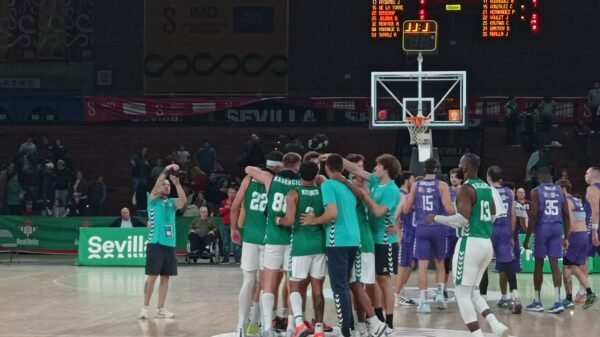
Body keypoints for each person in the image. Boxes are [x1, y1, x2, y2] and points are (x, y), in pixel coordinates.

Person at [302, 154, 387, 337]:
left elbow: (332, 213)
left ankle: (348, 330)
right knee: (353, 283)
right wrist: (344, 180)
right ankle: (367, 324)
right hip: (355, 240)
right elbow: (360, 197)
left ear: (326, 169)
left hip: (337, 241)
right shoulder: (349, 187)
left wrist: (314, 220)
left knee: (339, 287)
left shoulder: (328, 185)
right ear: (342, 169)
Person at [427, 153, 509, 337]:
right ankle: (495, 324)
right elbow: (494, 214)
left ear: (466, 167)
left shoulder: (466, 188)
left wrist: (436, 218)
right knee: (473, 291)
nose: (458, 166)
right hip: (486, 243)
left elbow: (462, 220)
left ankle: (477, 335)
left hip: (470, 242)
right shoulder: (486, 187)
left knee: (461, 294)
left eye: (460, 163)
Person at [245, 152, 301, 337]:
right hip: (293, 241)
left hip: (273, 241)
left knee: (268, 285)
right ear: (297, 166)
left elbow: (248, 169)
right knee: (293, 286)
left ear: (282, 164)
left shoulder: (270, 178)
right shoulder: (301, 183)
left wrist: (267, 171)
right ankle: (293, 327)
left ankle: (267, 327)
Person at [342, 153, 401, 330]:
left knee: (384, 280)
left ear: (387, 169)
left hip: (385, 239)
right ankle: (377, 316)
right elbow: (354, 169)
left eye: (378, 166)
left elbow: (377, 211)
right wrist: (335, 158)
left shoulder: (392, 190)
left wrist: (364, 195)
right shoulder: (376, 182)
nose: (374, 168)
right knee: (371, 280)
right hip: (371, 237)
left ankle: (389, 322)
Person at [230, 151, 282, 337]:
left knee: (248, 281)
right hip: (270, 239)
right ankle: (260, 324)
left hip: (250, 237)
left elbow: (234, 207)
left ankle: (240, 326)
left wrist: (234, 229)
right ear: (278, 166)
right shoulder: (278, 182)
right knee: (266, 284)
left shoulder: (249, 179)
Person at [277, 161, 326, 337]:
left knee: (295, 286)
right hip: (319, 244)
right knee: (318, 289)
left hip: (300, 245)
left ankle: (299, 322)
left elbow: (289, 220)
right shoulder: (322, 191)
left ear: (300, 175)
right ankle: (319, 328)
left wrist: (278, 220)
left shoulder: (294, 193)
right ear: (315, 175)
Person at [138, 163, 186, 320]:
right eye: (164, 185)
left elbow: (183, 201)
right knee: (152, 277)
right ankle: (145, 307)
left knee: (165, 278)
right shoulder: (152, 200)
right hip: (155, 243)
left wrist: (177, 183)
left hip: (169, 245)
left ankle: (161, 309)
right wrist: (167, 168)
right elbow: (159, 181)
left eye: (168, 185)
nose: (166, 186)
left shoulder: (171, 203)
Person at [523, 167, 570, 313]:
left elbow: (534, 214)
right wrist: (567, 236)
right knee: (555, 264)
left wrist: (528, 236)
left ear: (542, 176)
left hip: (543, 228)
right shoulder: (560, 191)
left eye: (538, 175)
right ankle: (558, 301)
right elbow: (566, 215)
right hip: (557, 228)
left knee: (538, 264)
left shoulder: (536, 191)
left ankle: (537, 301)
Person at [486, 166, 522, 314]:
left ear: (488, 177)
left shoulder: (487, 191)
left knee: (484, 265)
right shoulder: (508, 192)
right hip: (505, 230)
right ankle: (516, 296)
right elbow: (513, 215)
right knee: (508, 265)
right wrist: (512, 235)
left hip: (490, 229)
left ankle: (482, 300)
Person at [556, 179, 597, 309]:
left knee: (566, 267)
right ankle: (590, 293)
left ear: (563, 189)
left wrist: (566, 238)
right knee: (574, 267)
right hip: (583, 235)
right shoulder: (577, 200)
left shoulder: (566, 201)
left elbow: (571, 222)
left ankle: (569, 299)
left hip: (574, 236)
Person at [395, 171, 417, 307]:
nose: (414, 183)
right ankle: (397, 295)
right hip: (405, 234)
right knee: (404, 265)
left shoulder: (409, 196)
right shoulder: (401, 195)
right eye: (413, 179)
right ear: (407, 180)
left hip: (411, 234)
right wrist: (398, 233)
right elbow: (394, 216)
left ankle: (401, 293)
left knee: (411, 264)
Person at [444, 168, 462, 298]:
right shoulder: (446, 191)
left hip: (461, 231)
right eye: (451, 177)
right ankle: (443, 287)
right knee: (446, 260)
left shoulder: (465, 191)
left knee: (460, 261)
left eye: (455, 177)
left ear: (460, 178)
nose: (453, 179)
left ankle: (460, 288)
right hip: (448, 231)